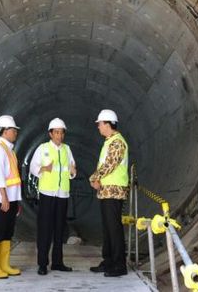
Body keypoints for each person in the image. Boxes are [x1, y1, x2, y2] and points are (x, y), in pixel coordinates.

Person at [29, 118, 77, 275]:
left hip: (62, 195)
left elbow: (72, 171)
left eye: (62, 132)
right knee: (45, 230)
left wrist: (72, 172)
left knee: (59, 230)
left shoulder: (67, 149)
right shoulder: (42, 149)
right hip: (47, 194)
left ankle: (58, 262)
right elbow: (33, 168)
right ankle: (42, 264)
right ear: (50, 133)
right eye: (56, 132)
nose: (59, 135)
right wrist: (44, 168)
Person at [89, 109, 129, 277]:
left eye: (100, 124)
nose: (98, 127)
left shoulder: (118, 142)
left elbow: (110, 164)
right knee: (107, 229)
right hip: (107, 190)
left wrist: (94, 177)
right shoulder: (109, 141)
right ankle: (109, 261)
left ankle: (119, 265)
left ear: (107, 124)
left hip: (114, 190)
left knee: (114, 228)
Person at [0, 115, 22, 279]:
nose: (15, 133)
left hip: (11, 198)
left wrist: (16, 200)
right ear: (5, 131)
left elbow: (12, 177)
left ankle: (4, 265)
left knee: (8, 232)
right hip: (1, 198)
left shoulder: (9, 150)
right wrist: (5, 198)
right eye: (13, 130)